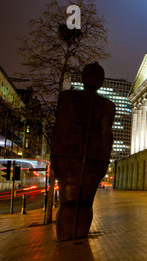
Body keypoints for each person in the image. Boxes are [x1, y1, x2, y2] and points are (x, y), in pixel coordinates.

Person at [51, 63, 115, 241]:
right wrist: (104, 161)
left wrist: (55, 157)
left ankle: (67, 238)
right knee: (83, 203)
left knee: (69, 202)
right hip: (88, 159)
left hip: (70, 157)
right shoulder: (107, 105)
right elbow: (106, 135)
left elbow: (59, 129)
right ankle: (76, 236)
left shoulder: (67, 97)